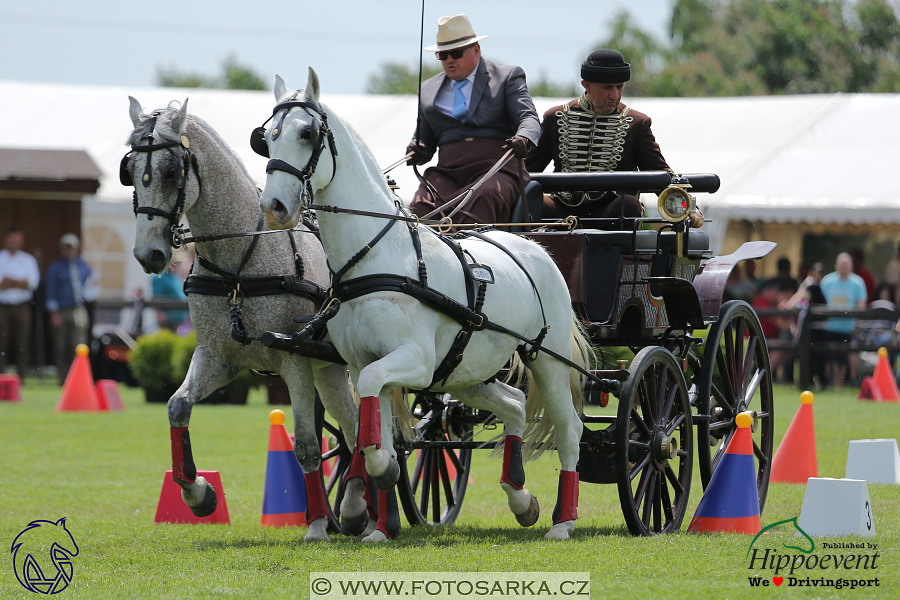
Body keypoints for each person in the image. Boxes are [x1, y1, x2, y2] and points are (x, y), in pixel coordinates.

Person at [526, 49, 701, 227]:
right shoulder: (555, 117)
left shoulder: (637, 123)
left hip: (611, 212)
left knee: (630, 204)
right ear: (586, 85)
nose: (615, 95)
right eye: (607, 87)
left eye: (619, 87)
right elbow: (528, 169)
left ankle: (622, 255)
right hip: (562, 210)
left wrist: (690, 208)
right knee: (526, 201)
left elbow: (659, 170)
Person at [406, 14, 541, 225]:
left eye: (456, 53)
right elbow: (424, 140)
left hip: (496, 169)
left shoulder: (507, 77)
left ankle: (473, 257)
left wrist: (524, 138)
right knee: (418, 207)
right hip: (448, 174)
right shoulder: (427, 90)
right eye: (443, 55)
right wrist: (417, 148)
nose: (450, 59)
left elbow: (528, 118)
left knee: (484, 196)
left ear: (476, 50)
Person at [45, 234, 100, 383]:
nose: (69, 251)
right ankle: (63, 379)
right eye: (66, 248)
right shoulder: (55, 267)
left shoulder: (83, 265)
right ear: (62, 249)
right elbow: (51, 290)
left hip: (79, 310)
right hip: (62, 310)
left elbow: (92, 285)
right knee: (61, 347)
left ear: (76, 249)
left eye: (72, 248)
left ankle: (77, 378)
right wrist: (54, 313)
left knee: (79, 346)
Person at [820, 252, 868, 387]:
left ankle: (847, 381)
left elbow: (861, 303)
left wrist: (858, 322)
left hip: (849, 326)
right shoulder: (827, 281)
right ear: (836, 265)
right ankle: (827, 381)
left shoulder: (858, 282)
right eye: (841, 264)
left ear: (851, 266)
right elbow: (820, 302)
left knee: (845, 356)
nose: (843, 267)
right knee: (829, 356)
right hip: (830, 326)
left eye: (846, 264)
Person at [0, 228, 40, 376]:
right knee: (1, 345)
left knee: (22, 344)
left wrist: (9, 281)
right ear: (6, 240)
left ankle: (20, 379)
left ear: (21, 241)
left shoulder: (28, 260)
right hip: (2, 307)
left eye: (17, 239)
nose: (14, 242)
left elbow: (32, 284)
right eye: (11, 239)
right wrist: (19, 282)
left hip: (22, 307)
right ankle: (1, 379)